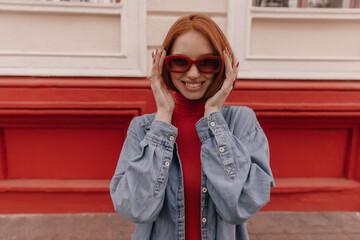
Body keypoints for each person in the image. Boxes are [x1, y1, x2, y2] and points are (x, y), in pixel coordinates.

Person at [110, 13, 274, 240]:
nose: (194, 73)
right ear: (164, 65)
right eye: (180, 62)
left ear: (223, 65)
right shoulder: (144, 129)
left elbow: (242, 206)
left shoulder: (240, 122)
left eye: (207, 62)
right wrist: (164, 117)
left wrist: (213, 118)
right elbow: (135, 209)